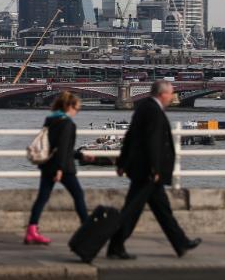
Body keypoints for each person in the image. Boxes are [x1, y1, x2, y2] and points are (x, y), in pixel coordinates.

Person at [107, 80, 202, 260]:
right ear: (162, 94)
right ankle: (114, 246)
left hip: (144, 170)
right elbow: (153, 142)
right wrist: (155, 168)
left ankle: (180, 242)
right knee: (131, 212)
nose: (172, 97)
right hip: (148, 172)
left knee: (162, 210)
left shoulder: (144, 108)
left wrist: (122, 163)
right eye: (171, 94)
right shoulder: (153, 111)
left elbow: (130, 137)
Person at [25, 91, 92, 245]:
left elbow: (55, 147)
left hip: (47, 165)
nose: (77, 112)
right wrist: (60, 169)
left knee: (42, 197)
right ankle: (87, 230)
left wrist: (81, 156)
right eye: (77, 108)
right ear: (69, 106)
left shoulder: (50, 120)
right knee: (78, 196)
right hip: (63, 168)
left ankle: (31, 231)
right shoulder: (68, 123)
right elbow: (63, 148)